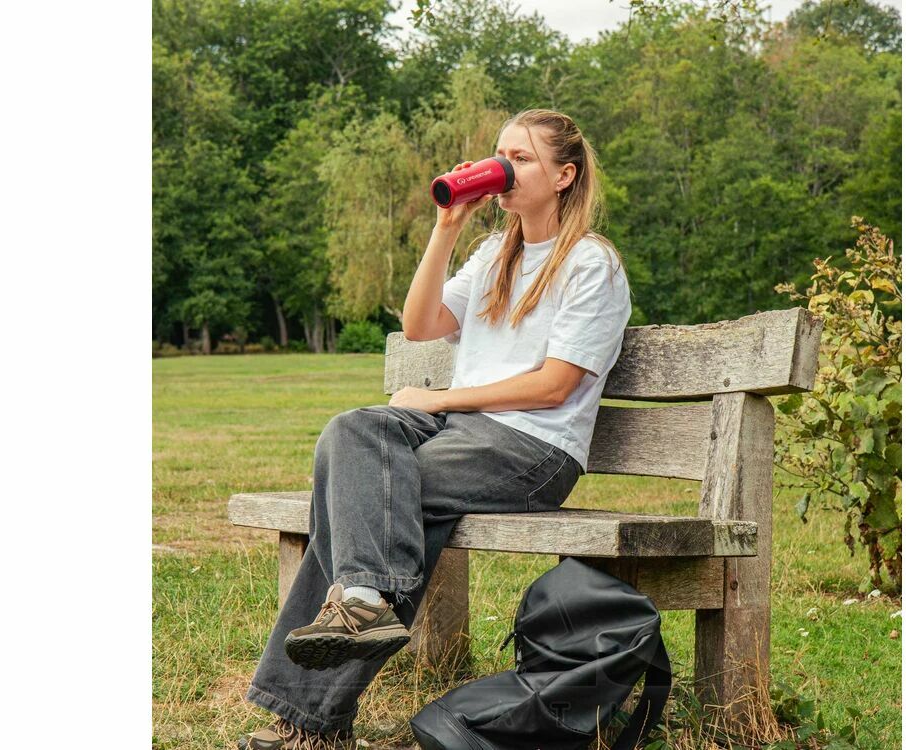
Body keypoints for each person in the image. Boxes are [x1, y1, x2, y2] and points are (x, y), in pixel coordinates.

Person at [237, 108, 634, 750]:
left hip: (532, 448)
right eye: (501, 153)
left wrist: (443, 399)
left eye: (522, 158)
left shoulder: (592, 264)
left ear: (564, 175)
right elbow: (419, 325)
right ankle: (365, 598)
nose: (503, 166)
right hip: (460, 432)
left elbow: (555, 386)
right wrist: (446, 228)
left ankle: (311, 719)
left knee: (371, 496)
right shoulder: (493, 253)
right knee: (352, 433)